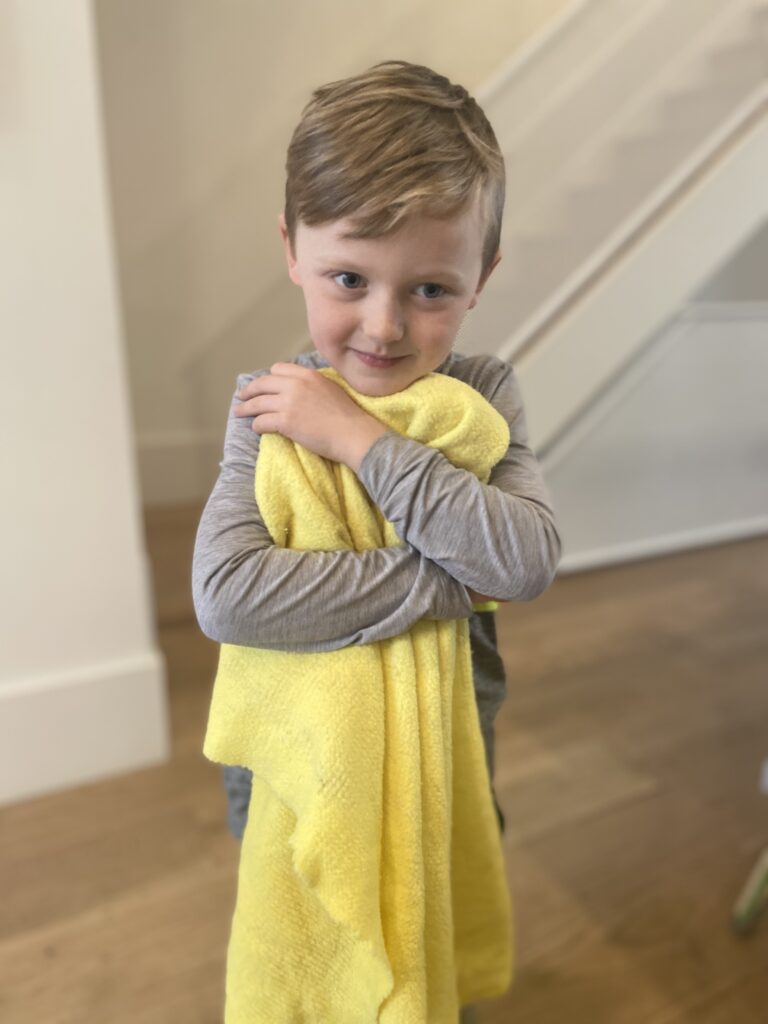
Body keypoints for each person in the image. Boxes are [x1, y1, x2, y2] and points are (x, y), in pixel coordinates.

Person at [192, 59, 562, 1022]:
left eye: (432, 288)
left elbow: (522, 561)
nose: (384, 326)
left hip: (448, 734)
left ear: (482, 275)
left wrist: (365, 441)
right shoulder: (267, 408)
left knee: (436, 888)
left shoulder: (485, 397)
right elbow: (229, 593)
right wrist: (451, 578)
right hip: (301, 748)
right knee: (310, 911)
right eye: (348, 278)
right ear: (292, 248)